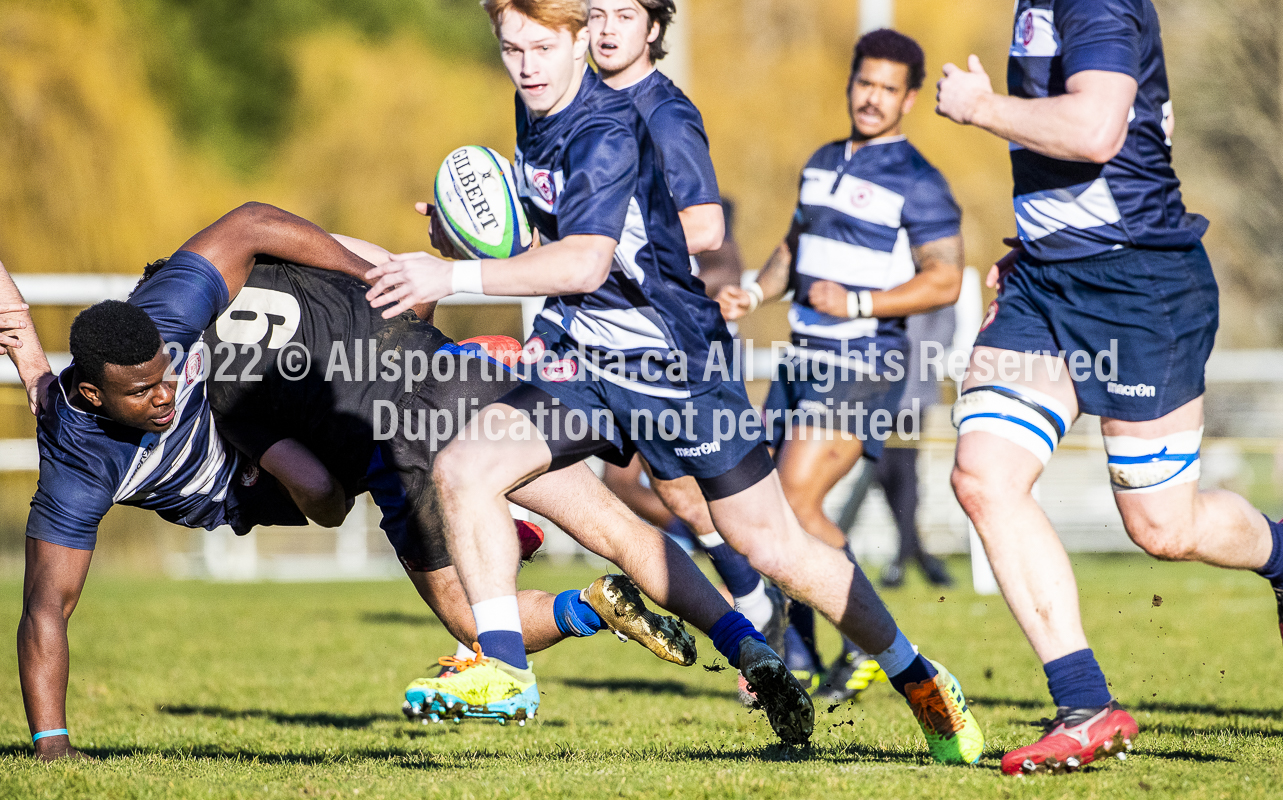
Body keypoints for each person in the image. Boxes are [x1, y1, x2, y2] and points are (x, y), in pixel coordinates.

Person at [365, 1, 984, 761]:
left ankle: (916, 675)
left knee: (774, 546)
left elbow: (590, 259)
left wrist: (453, 272)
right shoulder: (538, 107)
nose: (524, 63)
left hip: (672, 369)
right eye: (509, 47)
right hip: (586, 359)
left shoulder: (610, 125)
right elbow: (562, 236)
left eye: (539, 46)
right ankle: (503, 670)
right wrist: (483, 232)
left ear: (577, 39)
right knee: (464, 464)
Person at [5, 204, 754, 759]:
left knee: (475, 614)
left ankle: (623, 617)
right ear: (96, 397)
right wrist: (53, 744)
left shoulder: (170, 328)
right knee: (594, 527)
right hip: (317, 446)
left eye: (167, 375)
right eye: (142, 394)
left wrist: (376, 282)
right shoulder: (80, 465)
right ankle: (730, 636)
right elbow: (47, 609)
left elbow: (251, 223)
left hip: (338, 442)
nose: (164, 393)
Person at [935, 0, 1283, 776]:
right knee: (982, 479)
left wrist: (979, 108)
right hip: (1043, 286)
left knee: (1162, 528)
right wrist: (1036, 238)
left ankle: (1281, 553)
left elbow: (1095, 129)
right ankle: (1084, 705)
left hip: (1137, 287)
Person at [716, 29, 966, 707]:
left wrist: (860, 300)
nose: (872, 98)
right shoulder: (822, 160)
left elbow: (944, 279)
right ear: (851, 82)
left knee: (794, 502)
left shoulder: (918, 180)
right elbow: (793, 247)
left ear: (909, 99)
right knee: (761, 506)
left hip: (864, 358)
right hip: (800, 356)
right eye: (864, 84)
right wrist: (755, 290)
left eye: (888, 89)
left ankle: (864, 638)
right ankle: (803, 648)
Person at [588, 0, 788, 651]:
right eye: (595, 12)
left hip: (675, 342)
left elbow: (704, 226)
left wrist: (599, 238)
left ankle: (816, 631)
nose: (608, 27)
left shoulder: (664, 112)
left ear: (652, 28)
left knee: (746, 516)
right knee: (673, 491)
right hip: (607, 337)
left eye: (624, 13)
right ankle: (759, 608)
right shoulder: (569, 108)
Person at [876, 304, 956, 590]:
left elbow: (946, 312)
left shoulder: (921, 261)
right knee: (881, 472)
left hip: (912, 390)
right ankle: (920, 556)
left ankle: (899, 559)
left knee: (906, 470)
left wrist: (924, 353)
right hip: (872, 389)